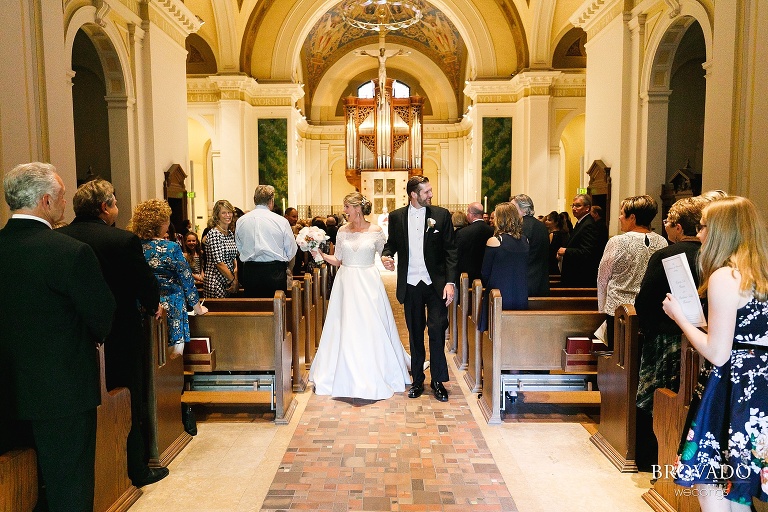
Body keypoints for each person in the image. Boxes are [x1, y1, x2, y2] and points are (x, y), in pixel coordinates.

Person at [0, 162, 116, 510]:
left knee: (14, 488)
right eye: (63, 198)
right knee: (69, 484)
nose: (65, 205)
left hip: (5, 388)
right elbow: (102, 315)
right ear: (46, 201)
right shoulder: (69, 252)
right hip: (62, 389)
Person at [58, 179, 169, 488]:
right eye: (116, 203)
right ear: (105, 207)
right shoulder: (122, 241)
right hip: (121, 333)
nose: (118, 209)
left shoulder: (60, 238)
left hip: (77, 334)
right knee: (131, 396)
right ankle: (136, 468)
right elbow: (146, 283)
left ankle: (98, 466)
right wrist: (152, 306)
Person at [663, 196, 768, 511]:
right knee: (738, 487)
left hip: (731, 387)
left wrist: (679, 316)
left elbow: (718, 353)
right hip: (759, 386)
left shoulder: (726, 276)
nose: (699, 233)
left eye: (704, 226)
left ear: (723, 231)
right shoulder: (759, 274)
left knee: (712, 483)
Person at [309, 193, 411, 399]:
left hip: (368, 282)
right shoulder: (341, 231)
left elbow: (385, 256)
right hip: (346, 282)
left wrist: (389, 262)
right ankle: (343, 371)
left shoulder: (376, 231)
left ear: (357, 208)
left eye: (347, 206)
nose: (344, 210)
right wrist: (319, 255)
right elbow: (338, 259)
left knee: (370, 324)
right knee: (345, 325)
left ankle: (375, 369)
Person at [633, 195, 708, 471]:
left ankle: (652, 460)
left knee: (657, 397)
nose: (665, 226)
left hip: (666, 339)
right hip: (705, 340)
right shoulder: (712, 255)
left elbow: (645, 301)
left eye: (668, 222)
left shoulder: (666, 255)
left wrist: (650, 328)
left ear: (678, 227)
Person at [382, 176, 458, 402]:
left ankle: (437, 381)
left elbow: (451, 251)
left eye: (430, 191)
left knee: (436, 331)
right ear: (413, 194)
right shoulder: (396, 217)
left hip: (436, 285)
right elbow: (392, 244)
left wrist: (450, 282)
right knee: (415, 334)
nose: (431, 195)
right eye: (426, 192)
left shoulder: (441, 215)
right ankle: (417, 380)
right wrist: (387, 256)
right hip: (410, 284)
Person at [129, 199, 208, 359]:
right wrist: (198, 308)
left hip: (144, 306)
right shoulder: (171, 247)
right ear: (160, 223)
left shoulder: (134, 245)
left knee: (150, 354)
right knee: (173, 358)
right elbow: (187, 279)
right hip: (173, 305)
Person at [596, 195, 667, 350]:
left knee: (619, 357)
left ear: (632, 217)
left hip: (618, 310)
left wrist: (601, 310)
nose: (620, 217)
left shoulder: (617, 241)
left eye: (622, 213)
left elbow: (603, 279)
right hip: (648, 309)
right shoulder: (662, 241)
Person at [236, 185, 297, 298]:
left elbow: (239, 246)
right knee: (276, 308)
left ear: (254, 200)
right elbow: (291, 248)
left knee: (254, 309)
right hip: (275, 272)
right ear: (271, 201)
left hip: (250, 272)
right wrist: (285, 265)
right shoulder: (281, 221)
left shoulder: (241, 221)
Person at [479, 203, 529, 331]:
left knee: (496, 331)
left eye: (495, 216)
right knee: (515, 331)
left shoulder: (495, 241)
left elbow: (485, 272)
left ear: (501, 219)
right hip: (520, 292)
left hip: (499, 293)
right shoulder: (525, 240)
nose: (493, 219)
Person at [557, 194, 605, 287]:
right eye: (573, 205)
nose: (574, 208)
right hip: (574, 275)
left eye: (578, 205)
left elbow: (587, 252)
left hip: (580, 276)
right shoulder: (581, 222)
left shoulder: (588, 225)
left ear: (587, 208)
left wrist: (566, 251)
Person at [512, 194, 549, 296]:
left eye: (513, 208)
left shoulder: (521, 227)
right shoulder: (541, 225)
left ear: (523, 209)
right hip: (541, 281)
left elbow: (518, 255)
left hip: (524, 282)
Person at [203, 200, 238, 297]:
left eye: (229, 212)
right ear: (217, 215)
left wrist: (234, 275)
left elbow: (233, 258)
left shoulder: (230, 233)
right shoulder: (214, 233)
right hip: (216, 282)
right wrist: (233, 280)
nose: (228, 215)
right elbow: (219, 263)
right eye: (224, 213)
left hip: (228, 280)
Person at [455, 201, 494, 284]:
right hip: (487, 275)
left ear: (472, 214)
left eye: (467, 213)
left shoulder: (463, 232)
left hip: (467, 276)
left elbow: (457, 255)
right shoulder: (492, 231)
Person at [544, 210, 570, 275]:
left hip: (552, 263)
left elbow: (549, 251)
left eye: (549, 220)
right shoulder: (564, 234)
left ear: (556, 223)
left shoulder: (553, 235)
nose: (546, 222)